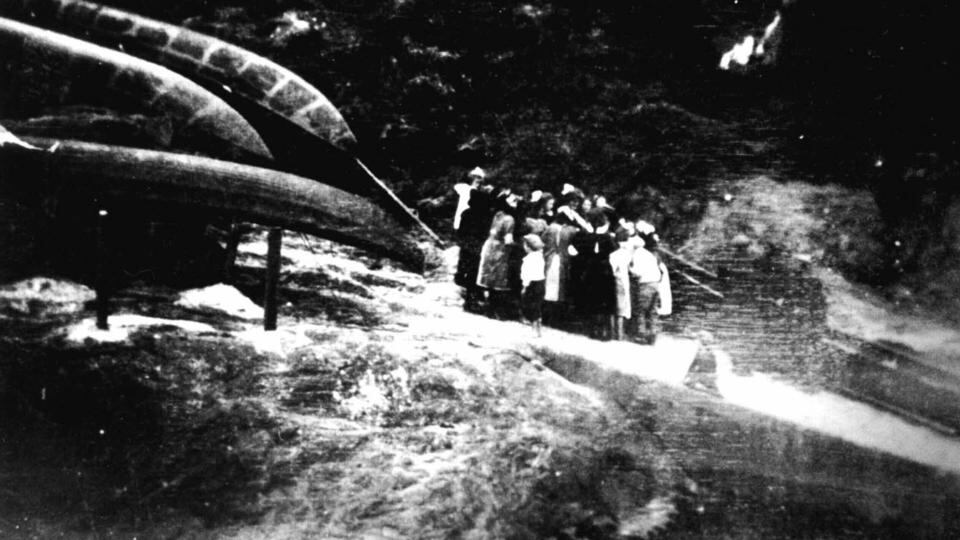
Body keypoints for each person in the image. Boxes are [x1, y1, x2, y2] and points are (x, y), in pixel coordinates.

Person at [568, 208, 617, 339]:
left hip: (590, 270)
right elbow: (614, 253)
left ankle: (593, 330)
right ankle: (605, 332)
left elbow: (572, 251)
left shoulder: (583, 235)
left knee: (592, 299)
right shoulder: (608, 237)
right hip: (605, 270)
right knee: (605, 300)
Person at [454, 167, 493, 312]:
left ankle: (467, 295)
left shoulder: (468, 211)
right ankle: (470, 300)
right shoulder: (482, 215)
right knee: (473, 269)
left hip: (468, 242)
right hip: (475, 244)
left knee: (465, 263)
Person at [476, 192, 518, 319]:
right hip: (500, 249)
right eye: (513, 202)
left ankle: (488, 309)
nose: (515, 205)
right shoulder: (510, 219)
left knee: (489, 278)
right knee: (498, 279)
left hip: (489, 246)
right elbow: (508, 239)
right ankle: (496, 311)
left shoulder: (498, 215)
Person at [628, 230, 664, 345]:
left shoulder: (637, 255)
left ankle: (641, 335)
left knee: (641, 311)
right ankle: (653, 334)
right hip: (655, 284)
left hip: (645, 284)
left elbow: (637, 272)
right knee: (653, 311)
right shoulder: (649, 254)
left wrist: (629, 269)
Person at [609, 227, 634, 340]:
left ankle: (614, 333)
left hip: (616, 280)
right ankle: (619, 334)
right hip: (624, 280)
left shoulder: (614, 255)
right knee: (622, 307)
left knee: (614, 307)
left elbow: (613, 270)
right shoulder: (628, 254)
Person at [520, 233, 546, 337]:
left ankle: (534, 330)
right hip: (541, 283)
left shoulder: (528, 259)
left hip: (531, 285)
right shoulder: (540, 257)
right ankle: (539, 330)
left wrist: (524, 287)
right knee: (538, 307)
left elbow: (527, 275)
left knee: (531, 307)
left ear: (528, 247)